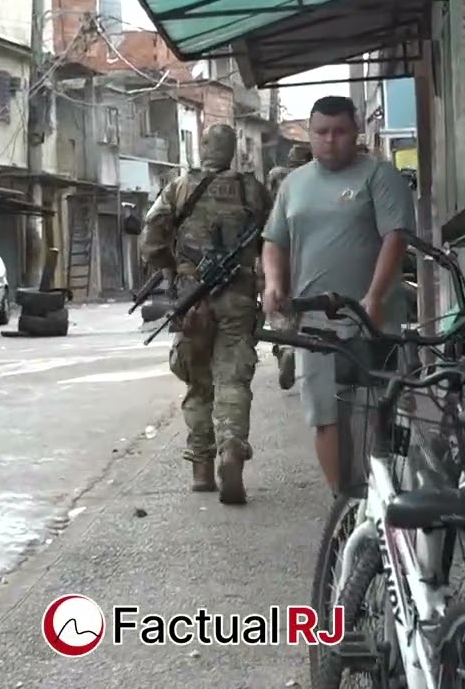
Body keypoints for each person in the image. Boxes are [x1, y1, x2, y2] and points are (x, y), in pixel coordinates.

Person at [260, 96, 414, 492]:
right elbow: (273, 240)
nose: (331, 140)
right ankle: (345, 505)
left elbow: (395, 238)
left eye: (340, 131)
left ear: (356, 131)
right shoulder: (294, 184)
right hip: (314, 322)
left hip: (371, 318)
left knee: (373, 415)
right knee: (326, 416)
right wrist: (273, 282)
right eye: (322, 132)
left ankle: (382, 503)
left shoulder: (378, 175)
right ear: (310, 134)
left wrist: (375, 296)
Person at [139, 124, 270, 505]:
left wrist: (169, 268)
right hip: (238, 297)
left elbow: (151, 234)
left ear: (204, 148)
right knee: (232, 379)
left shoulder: (180, 187)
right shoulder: (251, 189)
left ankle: (200, 469)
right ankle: (231, 448)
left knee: (198, 383)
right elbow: (272, 235)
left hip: (191, 298)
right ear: (232, 151)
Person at [264, 143, 313, 391]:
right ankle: (297, 345)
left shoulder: (277, 177)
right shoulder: (314, 178)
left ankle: (285, 346)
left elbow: (265, 209)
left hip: (277, 245)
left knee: (279, 303)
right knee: (306, 302)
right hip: (306, 249)